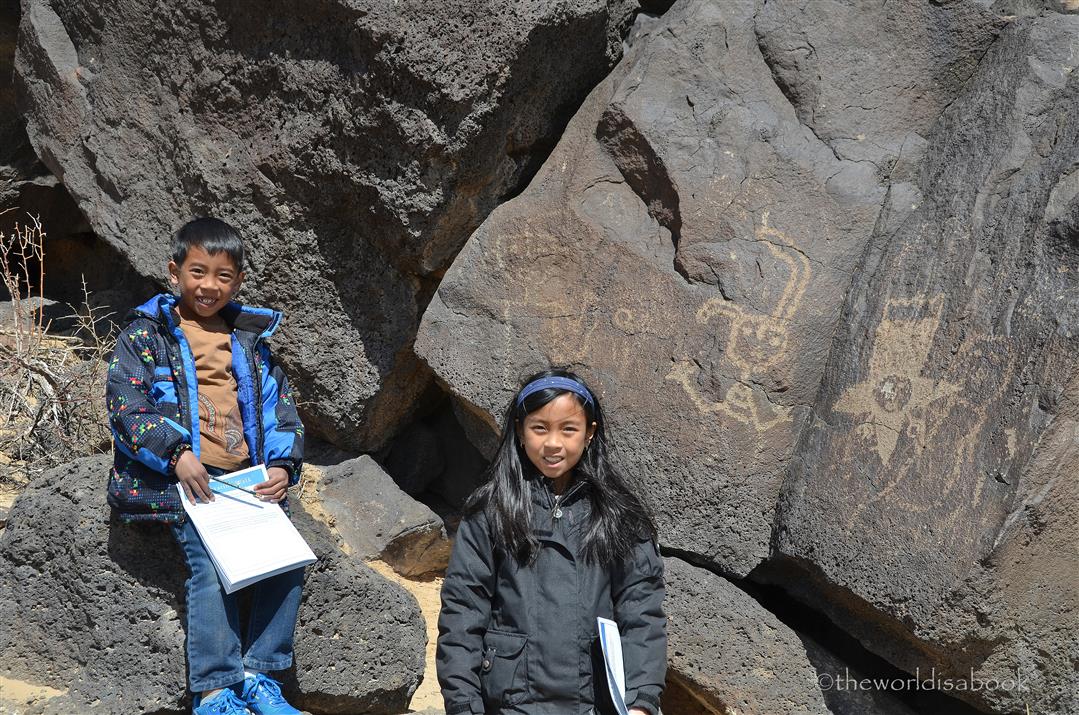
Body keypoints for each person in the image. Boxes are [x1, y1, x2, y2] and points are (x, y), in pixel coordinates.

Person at [106, 217, 305, 715]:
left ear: (237, 282)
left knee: (286, 564)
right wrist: (176, 453)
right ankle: (215, 691)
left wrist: (282, 465)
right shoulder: (145, 335)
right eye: (198, 271)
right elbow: (126, 405)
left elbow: (279, 407)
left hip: (246, 482)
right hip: (184, 482)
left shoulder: (249, 340)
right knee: (210, 568)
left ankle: (261, 675)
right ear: (174, 272)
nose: (209, 286)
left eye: (223, 275)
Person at [436, 369, 666, 715]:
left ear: (590, 433)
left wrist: (640, 702)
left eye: (568, 429)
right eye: (539, 428)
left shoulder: (619, 515)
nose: (553, 443)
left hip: (595, 704)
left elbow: (641, 613)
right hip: (510, 704)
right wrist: (464, 704)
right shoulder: (491, 510)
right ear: (519, 430)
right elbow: (463, 610)